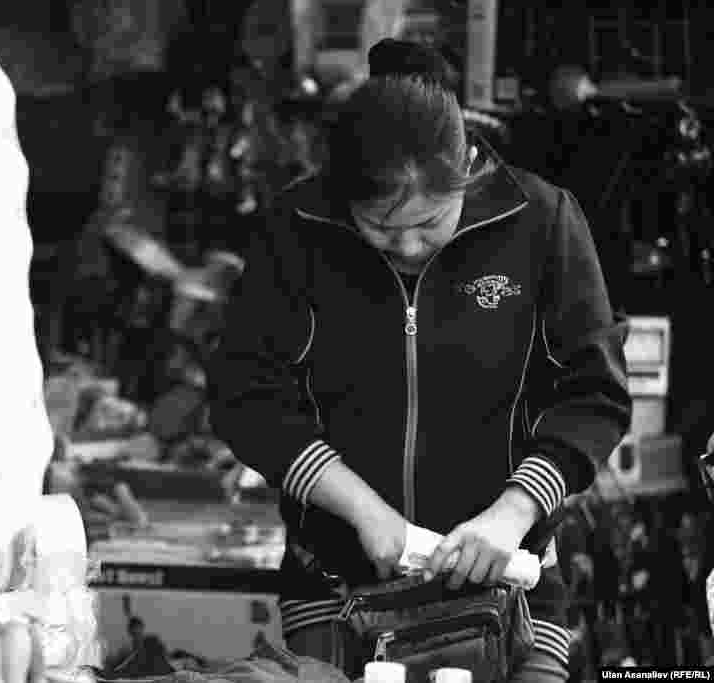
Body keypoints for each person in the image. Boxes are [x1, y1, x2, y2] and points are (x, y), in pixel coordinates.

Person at [208, 39, 631, 682]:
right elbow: (248, 395)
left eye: (430, 222)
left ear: (465, 164)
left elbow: (594, 395)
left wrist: (513, 512)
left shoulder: (542, 223)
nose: (406, 245)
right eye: (379, 226)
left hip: (513, 589)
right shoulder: (296, 227)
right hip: (336, 593)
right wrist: (364, 512)